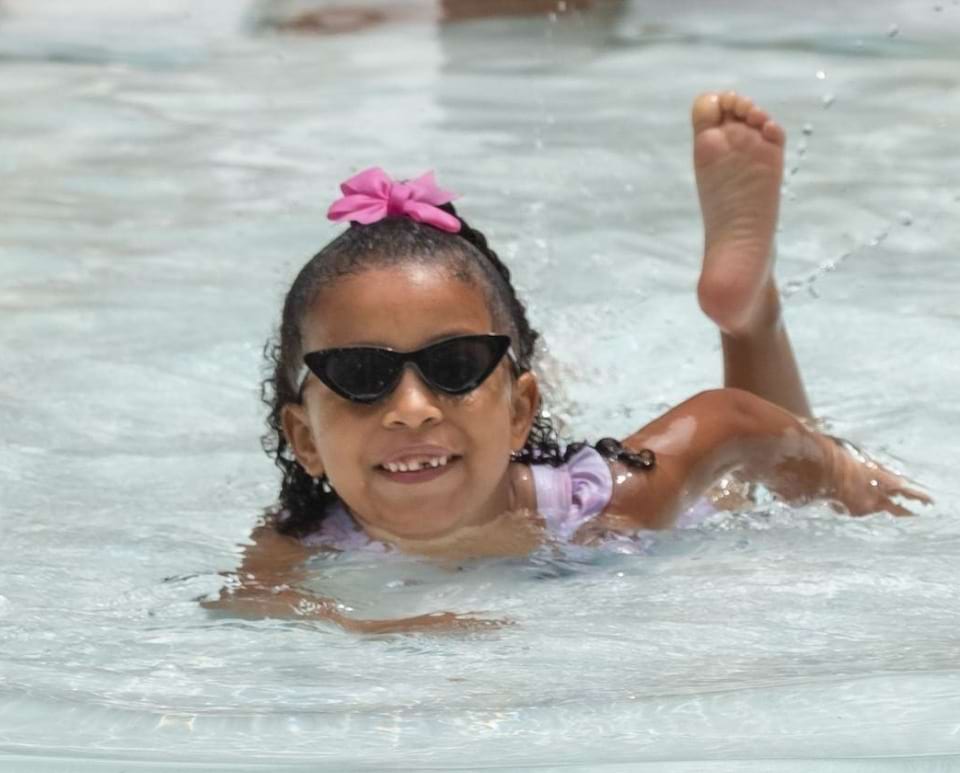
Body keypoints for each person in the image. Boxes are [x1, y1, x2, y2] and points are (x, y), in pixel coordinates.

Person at [208, 92, 930, 632]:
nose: (413, 406)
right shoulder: (304, 534)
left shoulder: (604, 508)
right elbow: (249, 608)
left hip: (671, 521)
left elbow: (732, 419)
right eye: (363, 375)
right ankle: (750, 307)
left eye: (455, 365)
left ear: (522, 409)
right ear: (305, 438)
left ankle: (749, 313)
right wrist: (378, 629)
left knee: (760, 480)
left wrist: (860, 488)